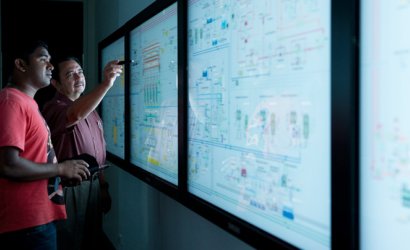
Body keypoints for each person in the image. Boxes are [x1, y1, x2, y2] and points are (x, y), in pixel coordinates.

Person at [0, 40, 91, 250]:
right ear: (21, 65)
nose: (51, 66)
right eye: (43, 60)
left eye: (50, 61)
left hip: (37, 219)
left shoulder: (28, 102)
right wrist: (61, 168)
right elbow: (8, 165)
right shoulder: (11, 102)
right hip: (26, 224)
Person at [42, 56, 122, 250]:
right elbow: (73, 114)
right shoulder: (54, 108)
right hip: (70, 190)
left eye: (80, 72)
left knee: (91, 242)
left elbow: (98, 151)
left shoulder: (91, 108)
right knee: (70, 243)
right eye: (70, 74)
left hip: (93, 186)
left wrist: (103, 187)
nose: (78, 77)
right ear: (56, 84)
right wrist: (106, 84)